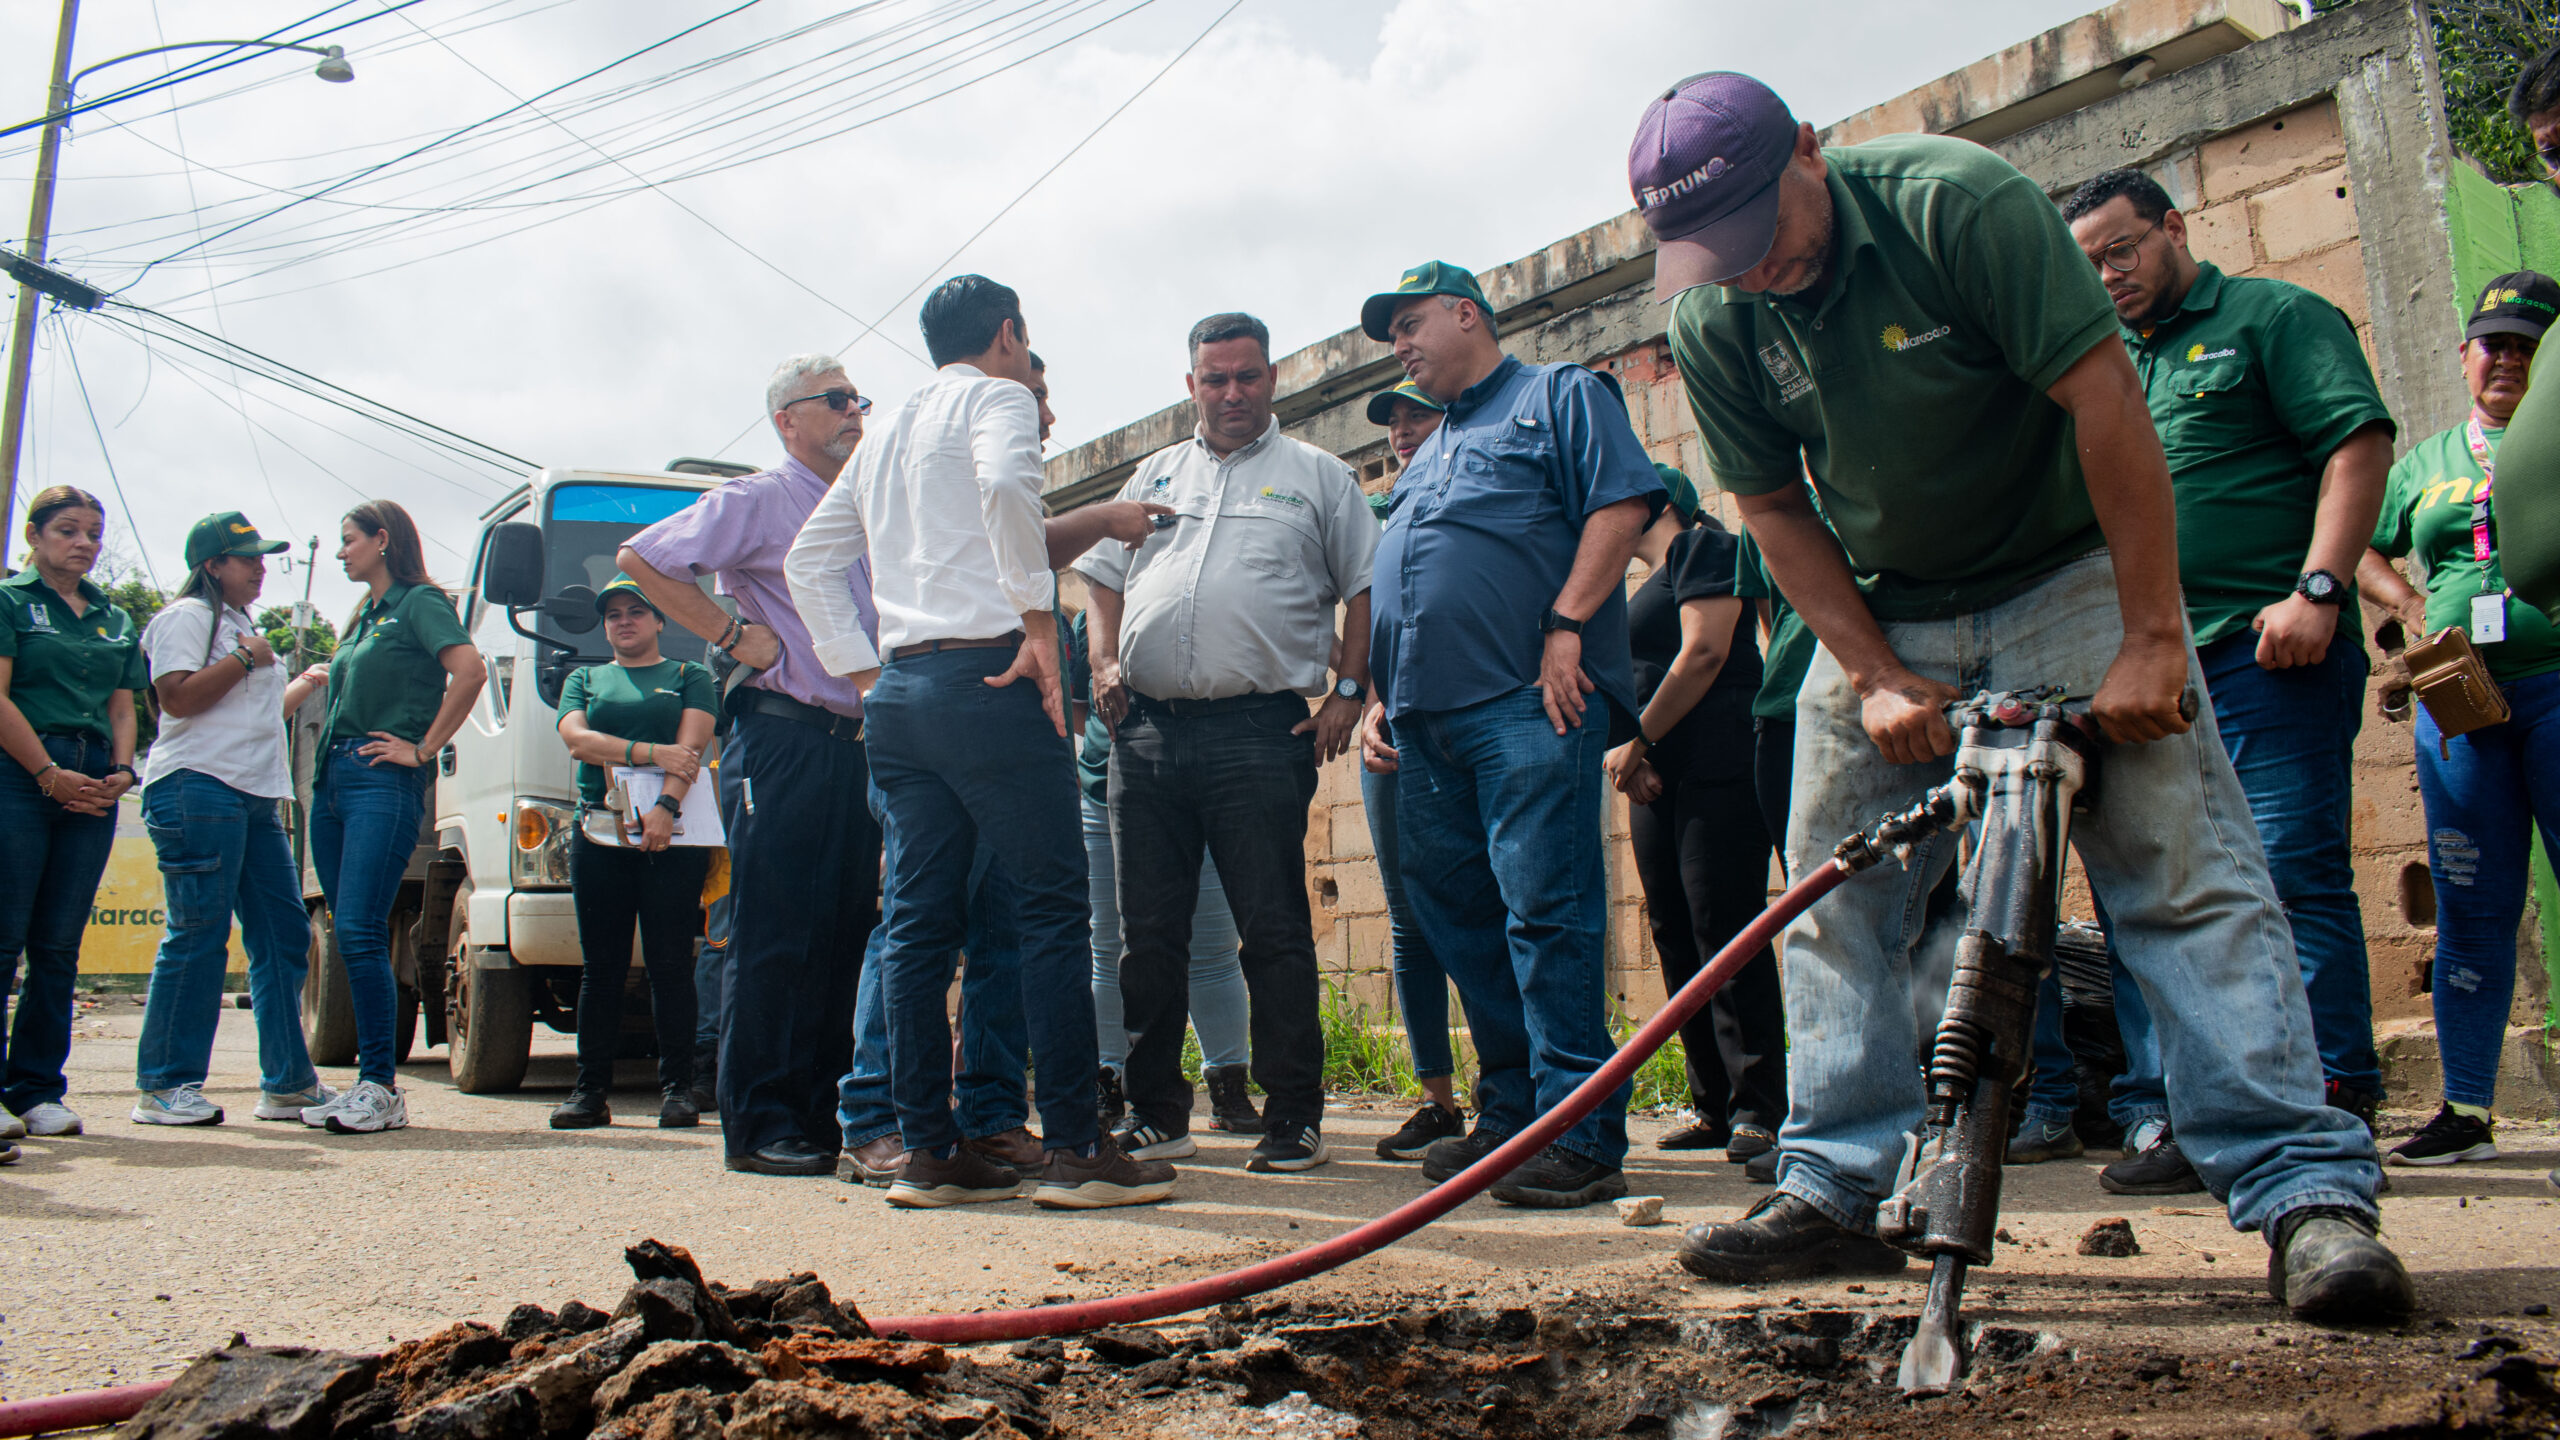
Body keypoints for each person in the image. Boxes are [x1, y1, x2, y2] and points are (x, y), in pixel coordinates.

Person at [1635, 71, 2407, 1318]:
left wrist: (2149, 636)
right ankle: (1837, 1182)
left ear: (1809, 150)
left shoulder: (1955, 203)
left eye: (1759, 226)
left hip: (2067, 568)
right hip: (1884, 598)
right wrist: (1875, 673)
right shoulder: (1715, 315)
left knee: (2180, 867)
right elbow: (1772, 506)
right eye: (1716, 251)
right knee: (1833, 890)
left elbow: (2104, 399)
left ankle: (2299, 1188)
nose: (1753, 266)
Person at [787, 273, 1173, 1210]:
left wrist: (865, 674)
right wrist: (1039, 621)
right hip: (988, 679)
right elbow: (1004, 483)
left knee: (918, 924)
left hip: (903, 691)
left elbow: (810, 561)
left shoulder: (885, 432)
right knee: (1052, 908)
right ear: (1008, 334)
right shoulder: (998, 398)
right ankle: (1079, 1151)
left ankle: (930, 1152)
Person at [2061, 166, 2398, 1190]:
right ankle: (2174, 1111)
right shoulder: (2097, 364)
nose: (2109, 276)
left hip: (2263, 651)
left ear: (2174, 227)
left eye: (2121, 249)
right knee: (2143, 890)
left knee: (2288, 874)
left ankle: (2324, 1100)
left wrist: (2318, 590)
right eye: (2087, 266)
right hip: (2141, 669)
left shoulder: (2272, 315)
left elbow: (2354, 447)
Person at [1356, 261, 1667, 1209]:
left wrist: (1567, 623)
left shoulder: (1558, 395)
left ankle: (1581, 1133)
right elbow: (1412, 578)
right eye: (1392, 336)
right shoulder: (1431, 445)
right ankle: (1511, 1114)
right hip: (1424, 720)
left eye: (1410, 326)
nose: (1401, 347)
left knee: (1546, 910)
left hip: (1526, 703)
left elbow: (1623, 504)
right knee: (1458, 917)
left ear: (1467, 314)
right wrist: (1380, 696)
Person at [1076, 311, 1376, 1176]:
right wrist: (1102, 659)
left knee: (1272, 930)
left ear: (1272, 378)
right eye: (1215, 379)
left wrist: (1348, 691)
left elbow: (1366, 587)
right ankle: (1156, 1115)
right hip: (1145, 733)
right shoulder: (1155, 473)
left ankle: (1293, 1117)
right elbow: (1101, 577)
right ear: (1191, 385)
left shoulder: (1319, 477)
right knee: (1146, 937)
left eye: (1247, 376)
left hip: (1257, 731)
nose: (1232, 392)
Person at [621, 354, 879, 1177]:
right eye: (835, 399)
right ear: (787, 421)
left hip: (856, 744)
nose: (853, 411)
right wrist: (732, 634)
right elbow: (643, 558)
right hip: (783, 737)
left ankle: (819, 1118)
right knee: (776, 929)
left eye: (858, 398)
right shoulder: (761, 498)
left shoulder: (862, 504)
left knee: (843, 930)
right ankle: (760, 1123)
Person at [2358, 273, 2560, 1168]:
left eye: (2528, 345)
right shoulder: (2430, 460)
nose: (2508, 358)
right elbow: (2361, 540)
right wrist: (2407, 605)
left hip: (2556, 688)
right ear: (2465, 354)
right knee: (2472, 904)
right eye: (2494, 343)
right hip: (2462, 707)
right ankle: (2468, 1110)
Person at [1604, 465, 1784, 1167]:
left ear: (1648, 505)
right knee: (1673, 932)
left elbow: (1705, 651)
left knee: (1724, 925)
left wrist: (1640, 739)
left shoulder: (1704, 548)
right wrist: (1634, 754)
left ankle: (1759, 1107)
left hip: (1718, 758)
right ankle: (1712, 1103)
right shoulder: (1639, 586)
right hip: (1657, 774)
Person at [129, 513, 333, 1127]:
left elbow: (259, 715)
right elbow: (176, 698)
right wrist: (245, 658)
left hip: (253, 795)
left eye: (262, 557)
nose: (260, 568)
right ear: (212, 565)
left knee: (283, 933)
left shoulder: (242, 625)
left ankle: (288, 1083)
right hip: (197, 785)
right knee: (198, 934)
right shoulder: (187, 617)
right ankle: (164, 1085)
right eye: (247, 558)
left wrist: (303, 681)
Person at [302, 501, 486, 1135]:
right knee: (346, 930)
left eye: (348, 540)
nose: (340, 552)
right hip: (332, 783)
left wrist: (424, 749)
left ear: (382, 540)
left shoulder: (419, 602)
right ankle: (366, 1085)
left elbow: (470, 671)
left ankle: (380, 1088)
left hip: (383, 781)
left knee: (359, 929)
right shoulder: (364, 615)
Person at [1065, 606, 1258, 1135]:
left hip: (1196, 787)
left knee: (1214, 947)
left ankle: (1228, 1082)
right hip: (1104, 793)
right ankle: (1110, 1079)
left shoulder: (1197, 601)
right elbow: (1079, 706)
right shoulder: (1091, 620)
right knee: (1109, 947)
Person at [548, 577, 719, 1130]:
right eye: (614, 614)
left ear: (659, 620)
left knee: (669, 965)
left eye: (636, 611)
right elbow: (577, 740)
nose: (624, 621)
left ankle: (678, 1091)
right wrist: (649, 751)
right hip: (601, 833)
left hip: (673, 834)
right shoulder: (584, 679)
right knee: (602, 968)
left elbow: (691, 750)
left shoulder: (688, 677)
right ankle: (589, 1092)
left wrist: (666, 807)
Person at [0, 486, 142, 1141]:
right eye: (67, 530)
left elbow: (122, 704)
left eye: (93, 532)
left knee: (57, 945)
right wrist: (47, 774)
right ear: (34, 536)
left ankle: (36, 1090)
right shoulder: (10, 601)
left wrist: (122, 771)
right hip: (21, 771)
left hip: (94, 780)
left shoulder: (114, 617)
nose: (84, 543)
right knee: (4, 936)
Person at [1359, 379, 1472, 1162]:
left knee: (1493, 903)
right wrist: (1367, 701)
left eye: (1416, 415)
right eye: (1393, 420)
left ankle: (1520, 1088)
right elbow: (1371, 624)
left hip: (1473, 720)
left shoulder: (1483, 492)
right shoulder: (1377, 516)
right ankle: (1437, 1099)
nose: (1402, 430)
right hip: (1393, 730)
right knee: (1408, 915)